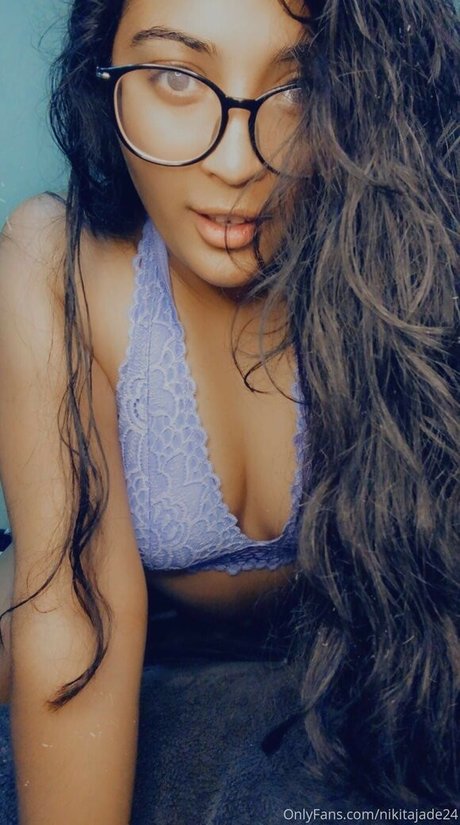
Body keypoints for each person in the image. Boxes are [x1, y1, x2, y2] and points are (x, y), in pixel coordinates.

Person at [0, 0, 459, 821]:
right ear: (103, 71)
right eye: (176, 76)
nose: (238, 161)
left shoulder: (408, 266)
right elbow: (73, 613)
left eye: (300, 84)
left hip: (302, 649)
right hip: (84, 614)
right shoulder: (58, 263)